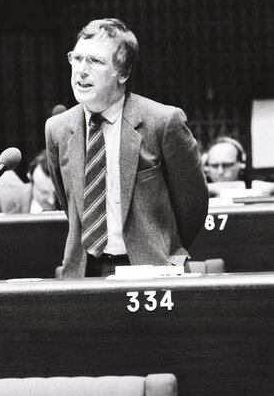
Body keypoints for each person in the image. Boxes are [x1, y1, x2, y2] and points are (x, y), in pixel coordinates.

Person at [45, 18, 208, 278]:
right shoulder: (57, 128)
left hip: (151, 267)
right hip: (85, 271)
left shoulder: (163, 121)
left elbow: (193, 205)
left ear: (123, 73)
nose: (81, 71)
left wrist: (165, 246)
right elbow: (70, 204)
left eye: (95, 61)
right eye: (76, 58)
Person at [0, 149, 57, 213]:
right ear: (30, 178)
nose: (51, 201)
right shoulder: (5, 200)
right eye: (44, 193)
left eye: (55, 193)